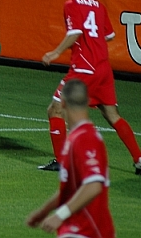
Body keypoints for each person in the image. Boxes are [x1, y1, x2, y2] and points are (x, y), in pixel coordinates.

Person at [38, 0, 141, 175]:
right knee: (112, 114)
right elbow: (108, 35)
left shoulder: (71, 4)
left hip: (83, 67)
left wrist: (55, 52)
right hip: (103, 68)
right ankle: (139, 159)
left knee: (55, 110)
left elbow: (76, 32)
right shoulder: (99, 5)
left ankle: (63, 162)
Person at [26, 79, 114, 238]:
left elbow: (94, 185)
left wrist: (60, 214)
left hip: (89, 230)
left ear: (63, 103)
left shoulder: (86, 139)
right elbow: (70, 189)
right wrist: (43, 211)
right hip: (73, 228)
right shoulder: (75, 138)